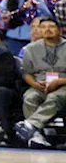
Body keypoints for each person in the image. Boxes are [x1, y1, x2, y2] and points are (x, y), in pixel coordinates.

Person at [15, 16, 66, 149]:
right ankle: (36, 136)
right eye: (43, 27)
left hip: (63, 85)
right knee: (30, 97)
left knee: (54, 97)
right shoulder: (30, 49)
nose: (47, 30)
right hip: (40, 85)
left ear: (60, 30)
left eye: (51, 27)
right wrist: (35, 84)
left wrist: (59, 81)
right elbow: (26, 73)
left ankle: (30, 124)